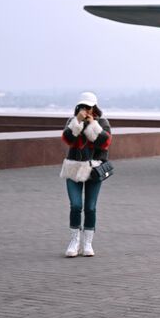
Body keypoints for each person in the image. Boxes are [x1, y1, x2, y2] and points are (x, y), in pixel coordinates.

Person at [59, 92, 112, 257]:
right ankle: (74, 241)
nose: (86, 110)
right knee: (75, 205)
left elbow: (104, 143)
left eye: (89, 107)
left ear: (94, 107)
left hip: (93, 170)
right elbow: (67, 139)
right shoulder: (72, 121)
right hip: (73, 168)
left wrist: (92, 125)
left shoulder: (102, 122)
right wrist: (78, 123)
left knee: (90, 207)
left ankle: (87, 243)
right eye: (83, 106)